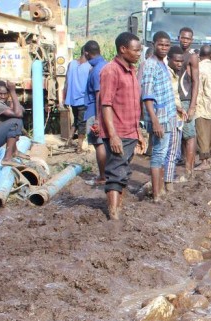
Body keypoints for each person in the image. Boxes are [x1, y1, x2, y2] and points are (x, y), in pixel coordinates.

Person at [100, 32, 145, 220]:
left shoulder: (132, 70)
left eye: (140, 50)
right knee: (116, 172)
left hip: (130, 130)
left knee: (124, 170)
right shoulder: (111, 71)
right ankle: (113, 215)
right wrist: (113, 135)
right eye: (136, 50)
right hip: (118, 131)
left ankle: (118, 208)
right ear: (123, 49)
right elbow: (106, 104)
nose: (138, 54)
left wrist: (139, 132)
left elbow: (134, 105)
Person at [139, 31, 177, 202]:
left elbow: (163, 92)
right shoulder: (150, 65)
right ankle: (156, 195)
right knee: (158, 155)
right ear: (153, 44)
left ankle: (160, 190)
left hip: (167, 116)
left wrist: (176, 108)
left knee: (162, 154)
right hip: (159, 119)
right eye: (161, 44)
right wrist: (154, 121)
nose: (164, 48)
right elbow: (147, 95)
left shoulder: (162, 64)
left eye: (167, 45)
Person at [82, 40, 107, 186]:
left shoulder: (97, 69)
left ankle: (103, 176)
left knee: (99, 144)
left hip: (95, 111)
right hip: (103, 111)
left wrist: (97, 118)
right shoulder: (105, 64)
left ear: (86, 53)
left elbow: (99, 94)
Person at [177, 27, 200, 179]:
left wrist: (192, 106)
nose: (185, 40)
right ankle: (187, 164)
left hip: (186, 101)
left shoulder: (192, 57)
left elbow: (195, 81)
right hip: (176, 100)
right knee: (180, 135)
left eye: (188, 39)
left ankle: (188, 169)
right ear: (178, 37)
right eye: (183, 38)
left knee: (189, 135)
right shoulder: (175, 54)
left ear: (191, 40)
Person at [194, 44, 211, 170]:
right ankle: (209, 159)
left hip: (201, 105)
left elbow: (197, 88)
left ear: (200, 55)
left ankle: (204, 162)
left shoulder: (199, 68)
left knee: (202, 133)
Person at [166, 46, 188, 189]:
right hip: (171, 115)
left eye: (181, 61)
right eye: (176, 61)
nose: (179, 64)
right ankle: (168, 182)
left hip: (175, 114)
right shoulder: (167, 74)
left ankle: (166, 179)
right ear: (169, 60)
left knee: (170, 150)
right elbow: (168, 96)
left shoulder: (173, 73)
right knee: (172, 150)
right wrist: (178, 108)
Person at [63, 47, 91, 153]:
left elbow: (66, 83)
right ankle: (79, 147)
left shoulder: (71, 64)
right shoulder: (89, 67)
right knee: (82, 123)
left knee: (76, 120)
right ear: (86, 52)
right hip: (82, 100)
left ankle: (69, 140)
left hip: (72, 100)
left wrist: (65, 98)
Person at [0, 81, 26, 164]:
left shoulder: (3, 103)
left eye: (5, 94)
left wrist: (12, 103)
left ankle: (15, 151)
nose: (3, 96)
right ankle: (7, 159)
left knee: (14, 120)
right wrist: (12, 91)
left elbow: (21, 110)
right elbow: (18, 114)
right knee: (15, 121)